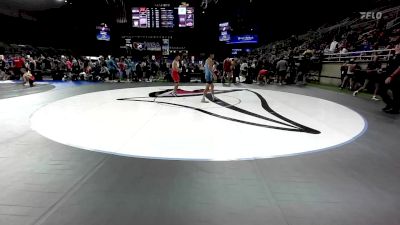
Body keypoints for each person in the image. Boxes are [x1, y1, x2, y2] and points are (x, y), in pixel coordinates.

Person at [380, 44, 400, 114]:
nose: (396, 47)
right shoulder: (392, 56)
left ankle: (395, 109)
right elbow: (389, 66)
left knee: (396, 94)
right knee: (382, 91)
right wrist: (382, 70)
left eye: (398, 46)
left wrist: (391, 76)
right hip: (388, 76)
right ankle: (390, 104)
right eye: (396, 46)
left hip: (396, 77)